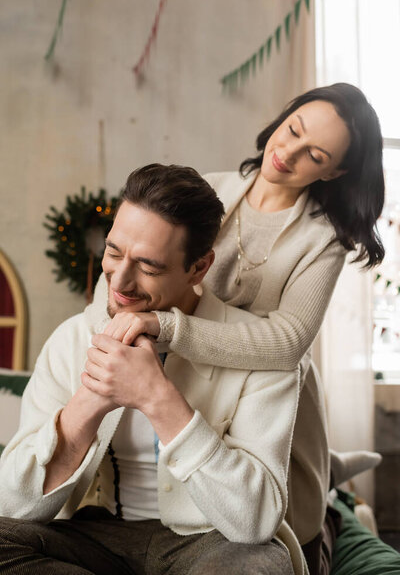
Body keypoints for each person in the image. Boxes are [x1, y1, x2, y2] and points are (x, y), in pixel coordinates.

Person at [98, 83, 385, 574]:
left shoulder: (324, 240)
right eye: (291, 129)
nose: (286, 153)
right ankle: (336, 467)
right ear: (283, 116)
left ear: (333, 171)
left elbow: (288, 342)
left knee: (290, 514)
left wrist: (167, 327)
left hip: (267, 393)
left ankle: (331, 479)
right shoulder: (214, 188)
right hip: (189, 380)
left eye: (313, 154)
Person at [0, 164, 307, 575]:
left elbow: (254, 522)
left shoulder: (260, 351)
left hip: (209, 542)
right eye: (113, 252)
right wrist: (90, 400)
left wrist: (156, 398)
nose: (120, 281)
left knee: (260, 566)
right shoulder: (71, 340)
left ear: (199, 268)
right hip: (92, 536)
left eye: (148, 266)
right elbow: (12, 505)